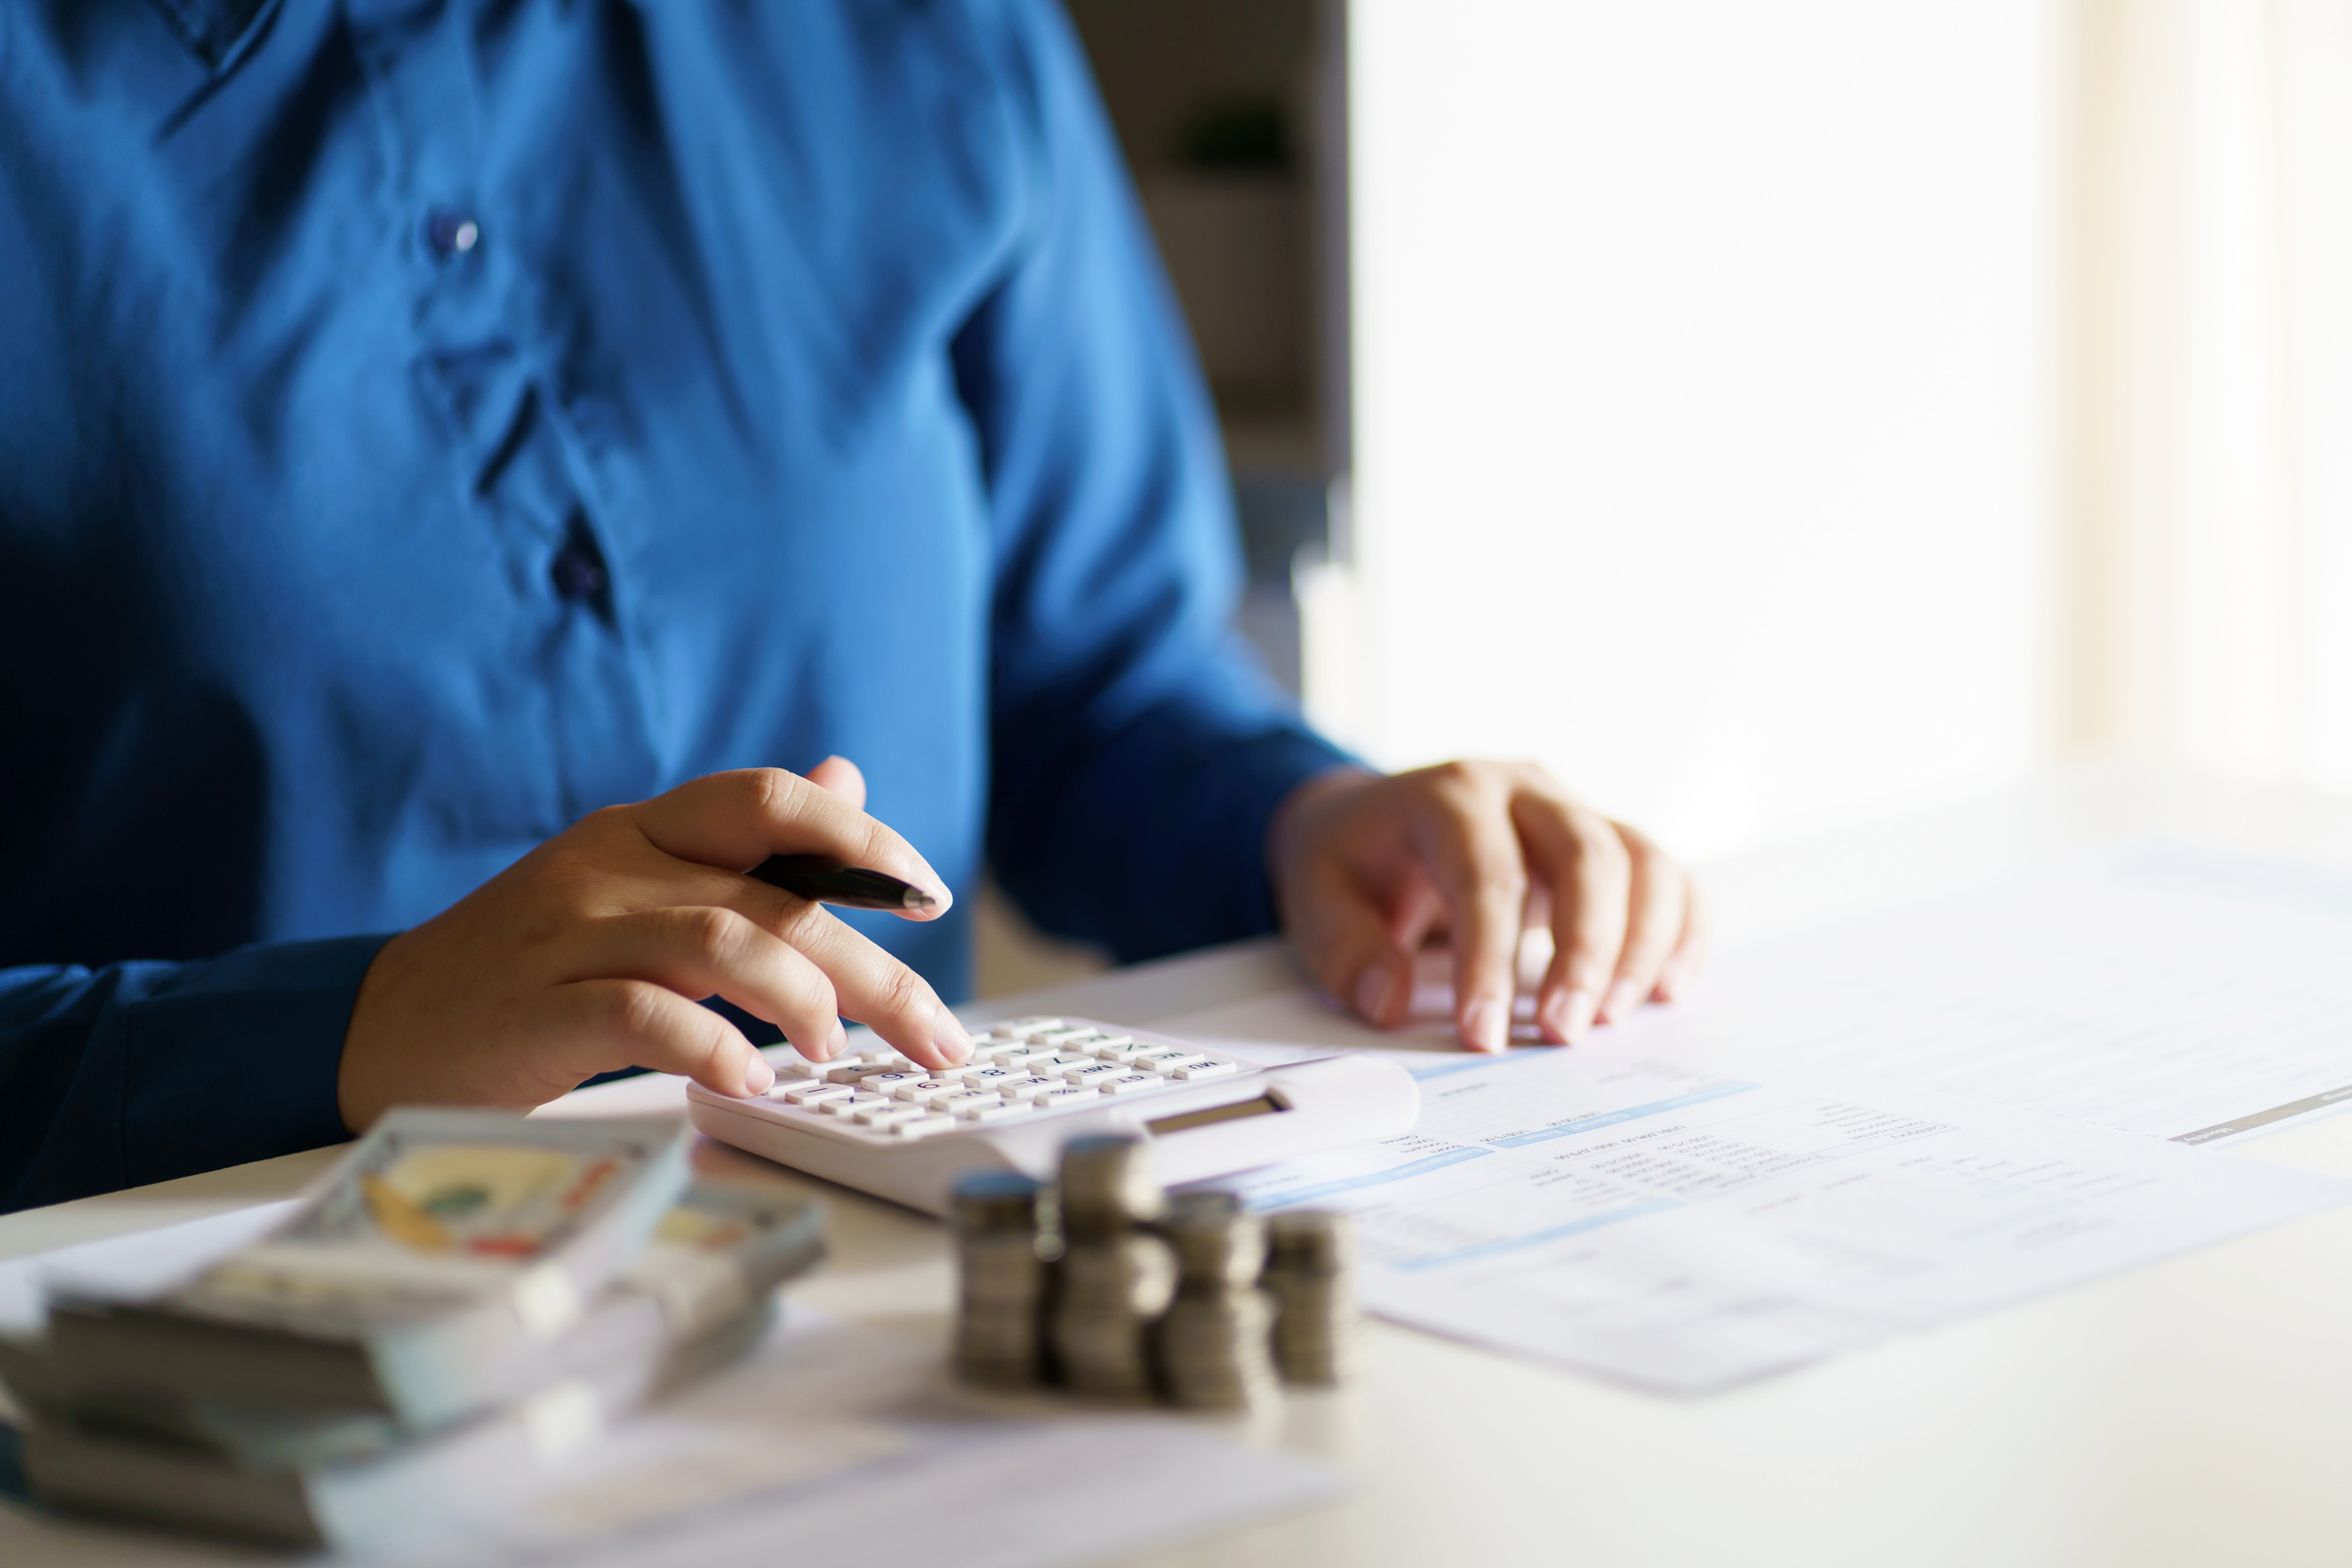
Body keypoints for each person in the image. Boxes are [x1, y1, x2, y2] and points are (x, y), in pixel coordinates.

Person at [0, 0, 1704, 1214]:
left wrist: (1310, 823)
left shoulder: (924, 34)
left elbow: (1091, 685)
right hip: (196, 1385)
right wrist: (348, 1032)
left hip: (897, 1342)